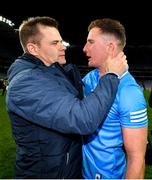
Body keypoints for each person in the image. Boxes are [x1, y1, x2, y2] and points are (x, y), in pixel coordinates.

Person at [6, 16, 127, 179]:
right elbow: (83, 119)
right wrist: (111, 75)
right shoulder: (26, 83)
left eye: (61, 41)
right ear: (33, 49)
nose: (63, 47)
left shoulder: (52, 71)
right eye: (55, 43)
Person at [82, 18, 148, 179]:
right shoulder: (89, 78)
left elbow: (137, 159)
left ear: (110, 47)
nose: (84, 49)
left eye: (91, 42)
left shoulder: (129, 92)